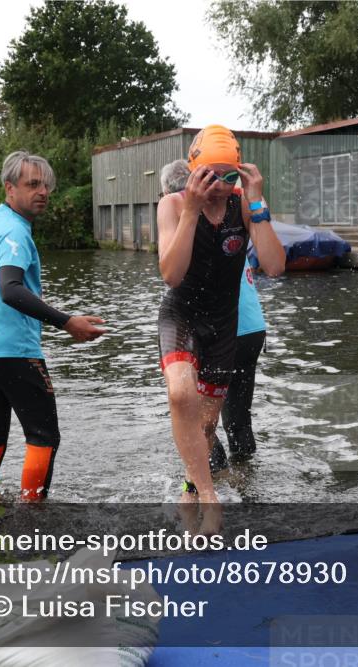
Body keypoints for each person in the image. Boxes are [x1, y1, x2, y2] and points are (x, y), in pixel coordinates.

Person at [157, 126, 285, 533]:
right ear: (194, 172)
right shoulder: (173, 205)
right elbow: (171, 275)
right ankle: (210, 499)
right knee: (180, 393)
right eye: (209, 176)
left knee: (209, 426)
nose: (219, 186)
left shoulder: (242, 206)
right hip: (182, 316)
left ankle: (191, 491)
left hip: (224, 325)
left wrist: (258, 201)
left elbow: (275, 266)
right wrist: (192, 211)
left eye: (229, 177)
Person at [0, 151, 107, 501]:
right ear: (9, 188)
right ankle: (32, 518)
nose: (42, 191)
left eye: (46, 185)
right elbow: (10, 289)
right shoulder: (13, 230)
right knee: (44, 438)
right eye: (32, 184)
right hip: (13, 351)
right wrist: (67, 322)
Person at [160, 159, 267, 470]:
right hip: (251, 326)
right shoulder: (232, 215)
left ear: (169, 192)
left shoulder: (186, 219)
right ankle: (245, 482)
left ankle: (212, 481)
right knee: (237, 419)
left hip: (217, 327)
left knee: (202, 422)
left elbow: (173, 276)